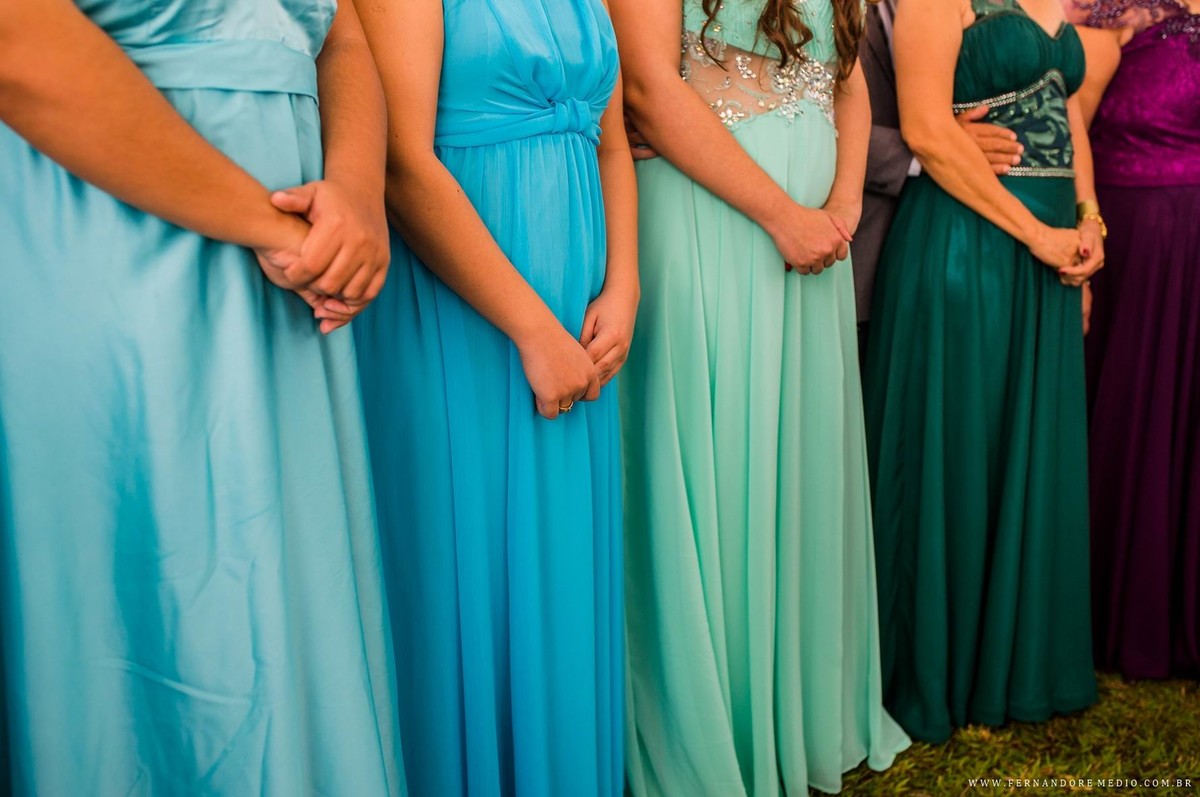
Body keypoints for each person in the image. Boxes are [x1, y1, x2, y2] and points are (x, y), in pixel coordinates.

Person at [0, 1, 403, 794]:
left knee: (294, 604)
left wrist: (357, 194)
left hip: (298, 271)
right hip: (115, 253)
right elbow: (16, 39)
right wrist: (274, 229)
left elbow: (342, 32)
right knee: (157, 613)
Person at [610, 0, 911, 792]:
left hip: (815, 240)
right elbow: (647, 88)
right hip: (712, 218)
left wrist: (843, 206)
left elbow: (848, 82)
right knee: (722, 463)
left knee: (795, 462)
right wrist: (783, 216)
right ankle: (713, 723)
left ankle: (797, 707)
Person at [351, 0, 638, 792]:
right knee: (473, 560)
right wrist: (532, 331)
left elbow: (613, 144)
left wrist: (625, 286)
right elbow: (402, 163)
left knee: (560, 560)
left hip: (579, 314)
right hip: (469, 320)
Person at [862, 0, 1105, 743]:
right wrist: (1037, 234)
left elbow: (1067, 112)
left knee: (1027, 447)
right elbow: (928, 131)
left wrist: (1088, 220)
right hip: (969, 244)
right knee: (962, 447)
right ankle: (944, 668)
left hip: (1046, 253)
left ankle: (1017, 662)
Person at [1074, 0, 1200, 680]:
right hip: (1138, 247)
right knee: (1133, 409)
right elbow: (1071, 123)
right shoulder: (1117, 13)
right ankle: (1115, 601)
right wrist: (1085, 221)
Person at [857, 0, 1025, 351]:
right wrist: (935, 143)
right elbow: (816, 126)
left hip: (939, 244)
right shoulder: (829, 10)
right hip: (857, 249)